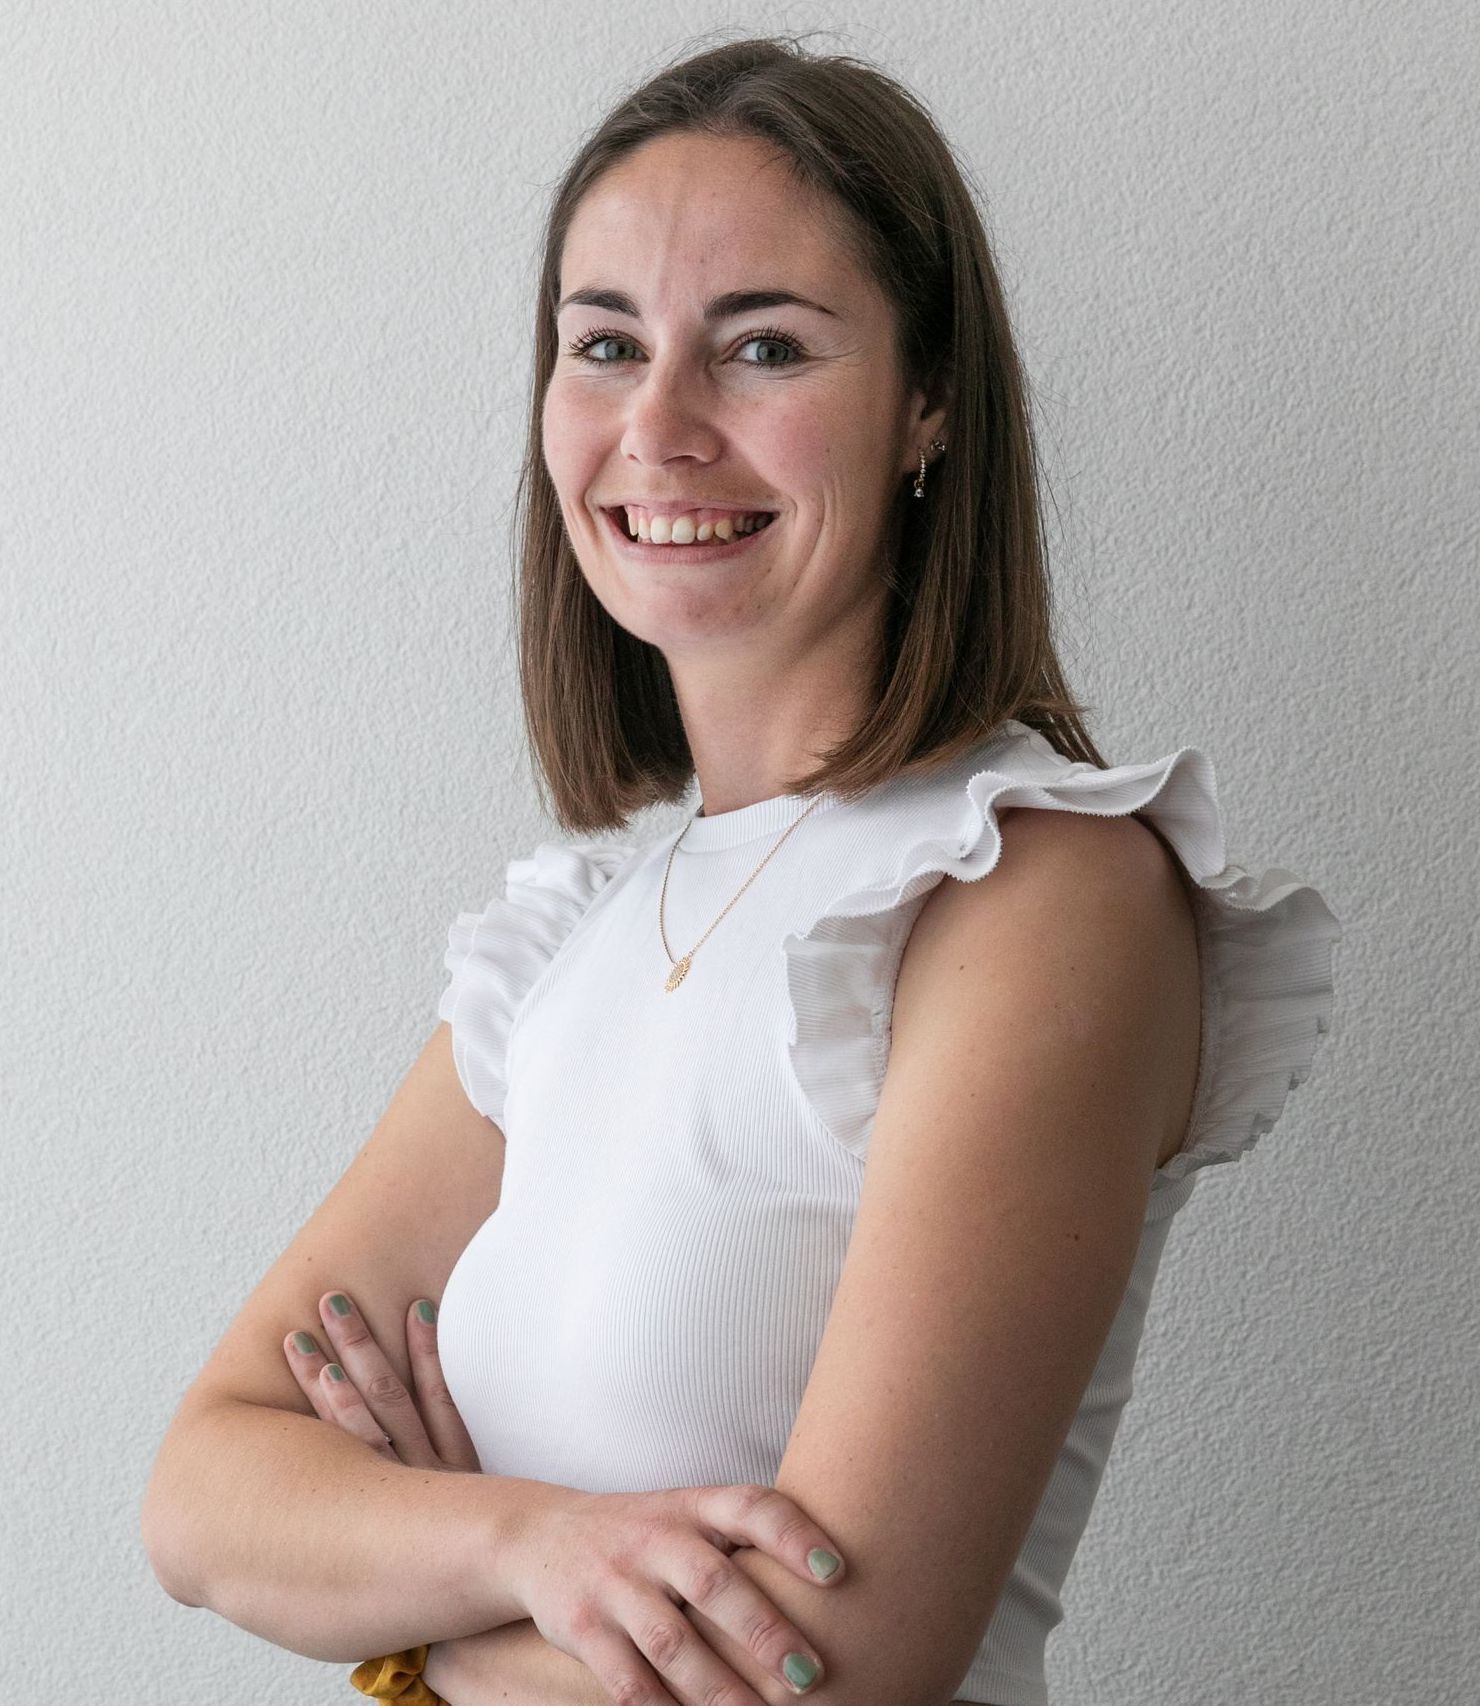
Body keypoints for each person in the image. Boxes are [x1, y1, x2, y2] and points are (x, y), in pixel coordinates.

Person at [141, 34, 1342, 1706]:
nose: (659, 426)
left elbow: (825, 1668)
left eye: (762, 346)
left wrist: (404, 1604)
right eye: (604, 344)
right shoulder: (571, 941)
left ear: (930, 404)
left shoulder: (1032, 890)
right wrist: (533, 1547)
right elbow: (203, 1490)